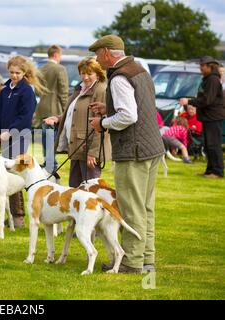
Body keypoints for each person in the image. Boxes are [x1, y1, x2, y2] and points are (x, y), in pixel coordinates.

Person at [89, 35, 165, 273]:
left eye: (97, 53)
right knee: (145, 208)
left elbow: (128, 116)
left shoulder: (119, 77)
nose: (96, 59)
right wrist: (109, 108)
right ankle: (146, 259)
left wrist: (102, 122)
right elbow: (139, 107)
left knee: (131, 209)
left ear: (107, 52)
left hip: (134, 151)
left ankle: (131, 262)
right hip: (152, 148)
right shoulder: (139, 70)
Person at [0, 55, 47, 228]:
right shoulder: (5, 89)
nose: (14, 75)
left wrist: (10, 132)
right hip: (3, 137)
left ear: (24, 72)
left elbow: (25, 117)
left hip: (19, 137)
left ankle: (19, 216)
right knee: (6, 175)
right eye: (11, 72)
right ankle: (13, 214)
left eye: (17, 72)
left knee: (15, 175)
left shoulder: (27, 91)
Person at [45, 57, 110, 187]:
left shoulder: (101, 90)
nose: (85, 77)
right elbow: (73, 113)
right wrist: (58, 118)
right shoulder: (80, 89)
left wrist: (94, 153)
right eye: (83, 73)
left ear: (98, 73)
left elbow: (103, 125)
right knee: (74, 189)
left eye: (89, 73)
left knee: (91, 192)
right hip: (76, 147)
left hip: (89, 150)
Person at [180, 56, 225, 178]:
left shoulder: (213, 80)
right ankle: (210, 171)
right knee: (208, 145)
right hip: (208, 117)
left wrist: (190, 102)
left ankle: (217, 171)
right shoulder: (208, 79)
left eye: (202, 66)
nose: (200, 68)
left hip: (213, 117)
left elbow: (207, 100)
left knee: (214, 145)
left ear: (209, 66)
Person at [35, 45, 69, 172]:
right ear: (56, 55)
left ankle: (48, 163)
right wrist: (66, 110)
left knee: (45, 138)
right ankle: (51, 166)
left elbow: (37, 92)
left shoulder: (40, 69)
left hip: (42, 107)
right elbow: (63, 92)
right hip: (55, 108)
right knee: (51, 139)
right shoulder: (60, 69)